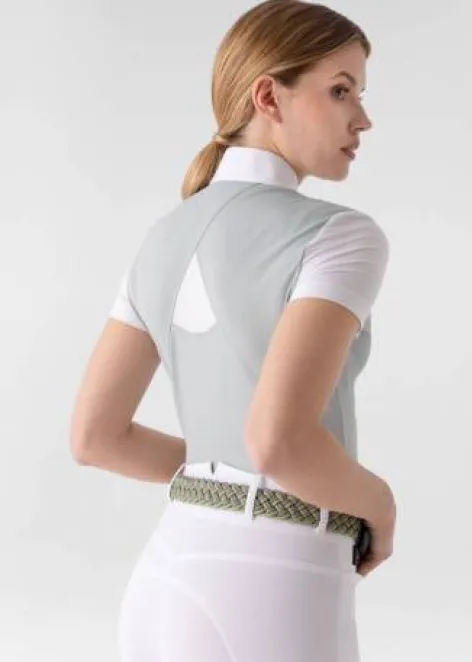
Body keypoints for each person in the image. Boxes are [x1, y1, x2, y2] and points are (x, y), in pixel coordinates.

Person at [107, 1, 397, 660]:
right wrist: (379, 505)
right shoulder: (339, 236)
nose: (363, 118)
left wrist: (217, 471)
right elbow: (278, 441)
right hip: (277, 580)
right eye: (341, 90)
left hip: (166, 574)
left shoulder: (160, 239)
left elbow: (97, 437)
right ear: (269, 96)